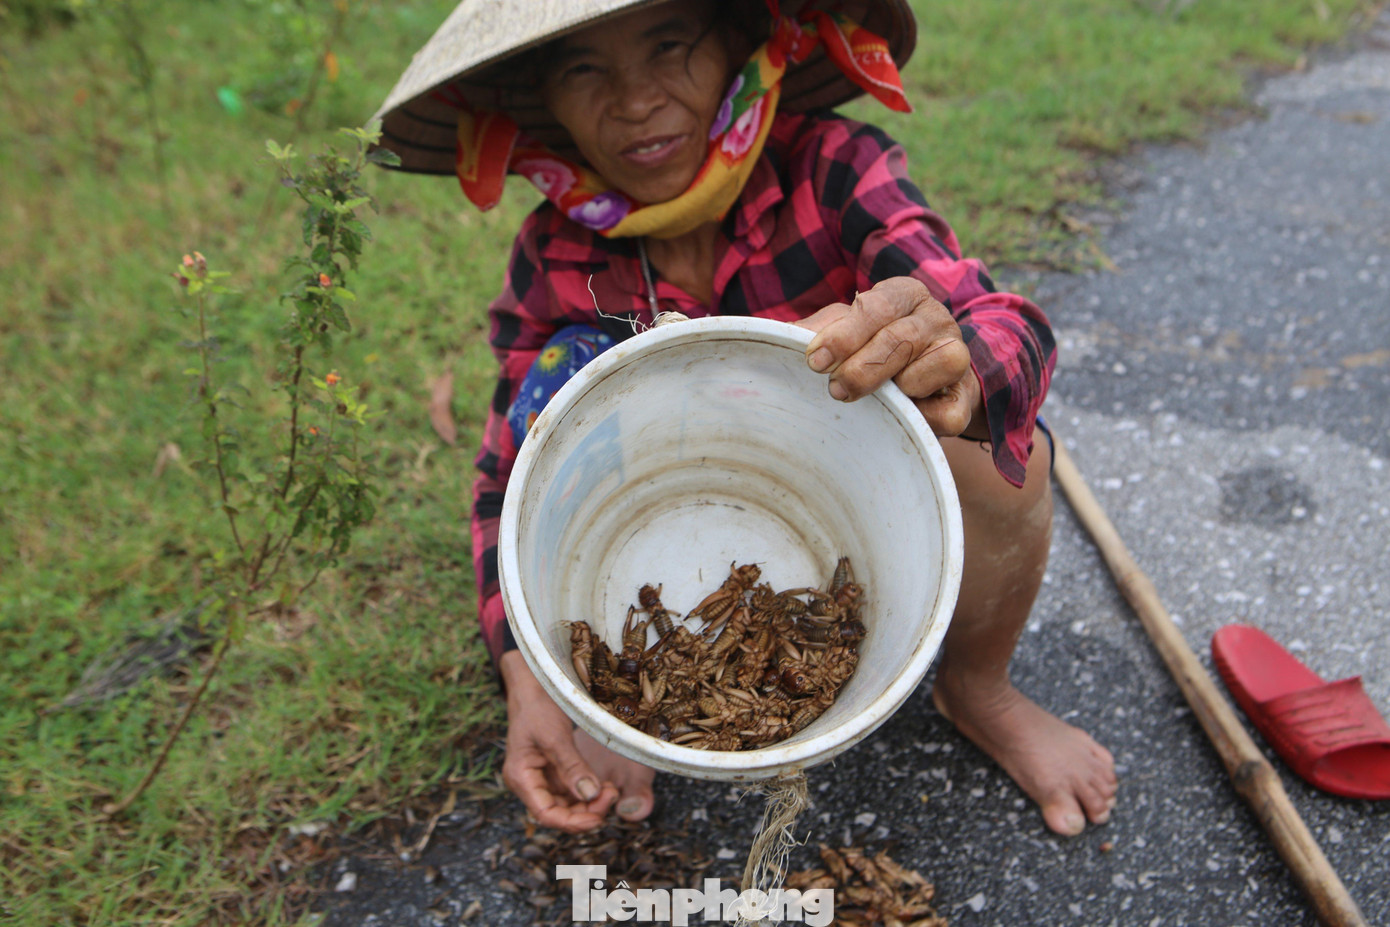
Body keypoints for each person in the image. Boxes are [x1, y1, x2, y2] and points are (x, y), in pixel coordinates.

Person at [373, 0, 1117, 838]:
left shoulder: (833, 167)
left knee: (1000, 466)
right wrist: (529, 676)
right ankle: (606, 709)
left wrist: (956, 362)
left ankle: (979, 687)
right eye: (585, 69)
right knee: (563, 395)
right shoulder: (556, 257)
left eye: (669, 46)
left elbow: (1006, 323)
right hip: (650, 502)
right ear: (543, 102)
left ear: (739, 45)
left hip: (852, 476)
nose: (634, 100)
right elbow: (506, 485)